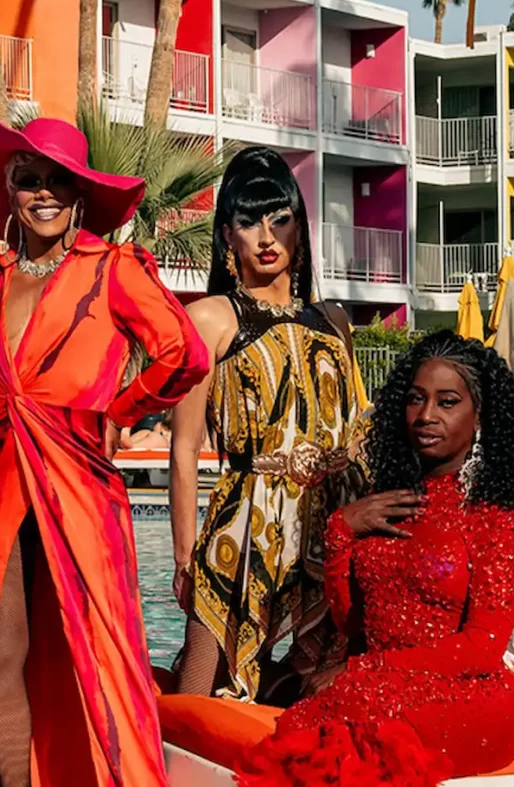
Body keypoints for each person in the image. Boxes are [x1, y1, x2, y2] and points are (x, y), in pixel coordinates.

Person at [0, 116, 210, 787]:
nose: (44, 193)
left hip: (77, 475)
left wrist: (121, 408)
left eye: (59, 180)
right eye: (29, 180)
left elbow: (185, 354)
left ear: (81, 191)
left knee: (103, 650)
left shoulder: (113, 268)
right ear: (10, 191)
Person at [235, 330, 514, 785]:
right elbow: (353, 624)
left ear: (480, 416)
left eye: (447, 402)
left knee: (346, 726)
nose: (425, 416)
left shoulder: (497, 515)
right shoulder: (385, 501)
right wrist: (341, 532)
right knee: (317, 725)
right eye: (415, 399)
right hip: (375, 683)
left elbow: (482, 648)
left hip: (469, 697)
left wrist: (364, 670)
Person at [169, 146, 364, 704]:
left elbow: (357, 434)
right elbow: (183, 452)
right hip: (241, 526)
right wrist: (185, 557)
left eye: (280, 219)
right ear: (227, 235)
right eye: (248, 221)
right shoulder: (208, 319)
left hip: (328, 526)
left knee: (325, 694)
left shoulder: (335, 321)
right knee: (198, 695)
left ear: (300, 229)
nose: (266, 236)